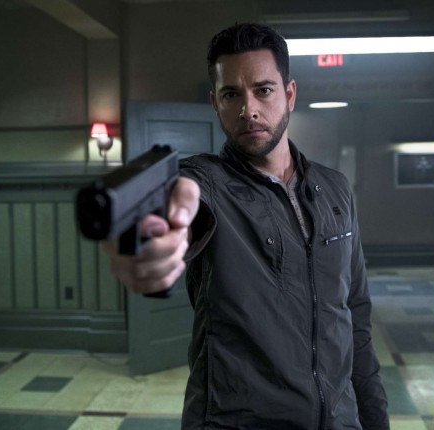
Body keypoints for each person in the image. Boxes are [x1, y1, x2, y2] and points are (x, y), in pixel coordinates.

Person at [104, 22, 390, 430]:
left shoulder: (335, 189)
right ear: (215, 103)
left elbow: (356, 319)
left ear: (289, 94)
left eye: (263, 90)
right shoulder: (208, 183)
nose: (248, 109)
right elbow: (176, 194)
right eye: (231, 95)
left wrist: (376, 421)